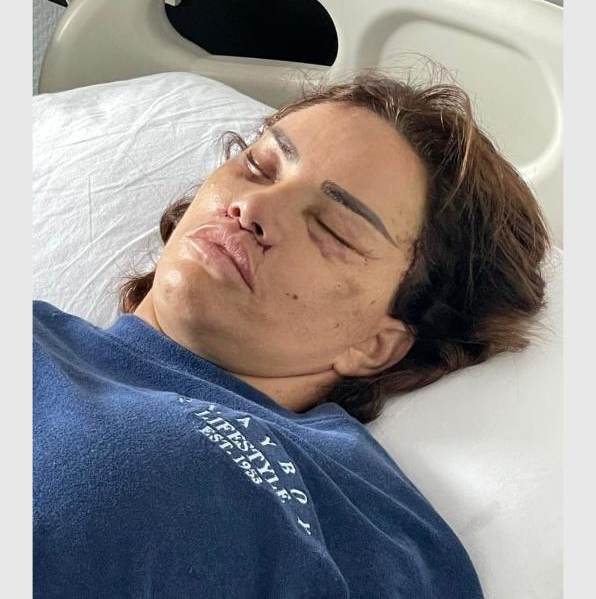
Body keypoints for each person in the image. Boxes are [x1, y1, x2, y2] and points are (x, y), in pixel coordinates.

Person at [33, 71, 549, 598]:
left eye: (333, 230)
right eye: (258, 168)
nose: (253, 209)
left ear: (376, 344)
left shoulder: (357, 517)